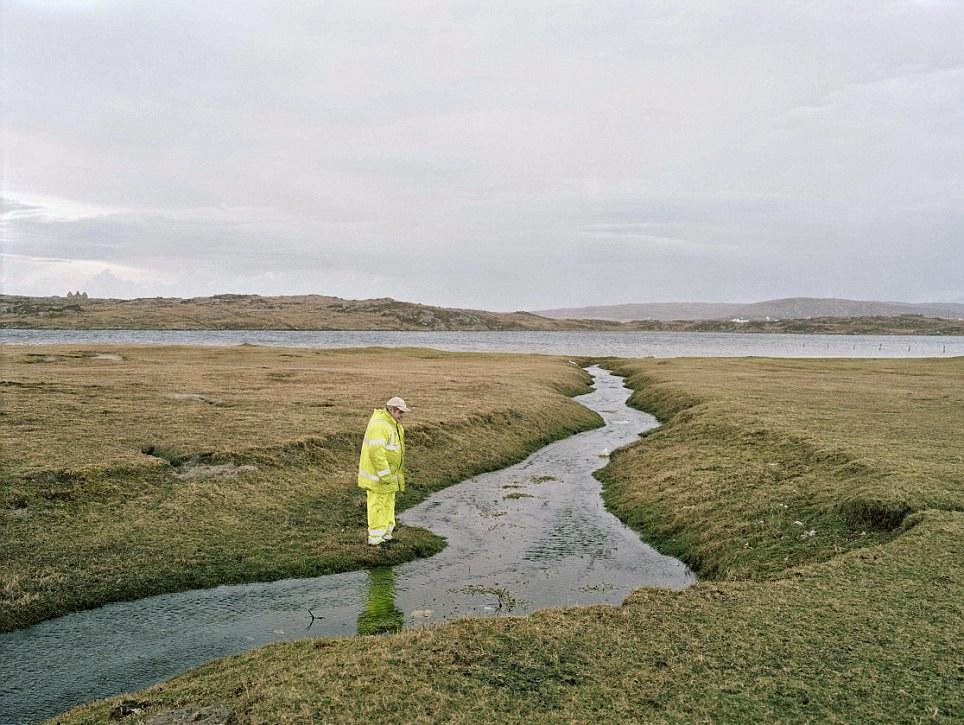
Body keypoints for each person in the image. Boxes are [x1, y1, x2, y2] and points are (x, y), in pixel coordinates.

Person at [357, 396, 409, 545]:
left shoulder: (392, 424)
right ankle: (375, 539)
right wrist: (385, 475)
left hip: (389, 477)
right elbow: (376, 453)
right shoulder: (380, 425)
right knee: (377, 505)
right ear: (392, 409)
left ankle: (386, 534)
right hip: (378, 477)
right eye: (400, 412)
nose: (401, 415)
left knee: (388, 503)